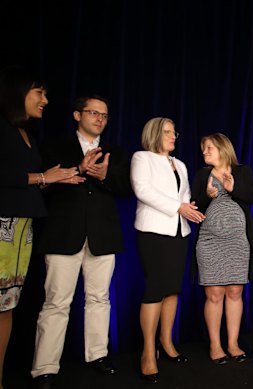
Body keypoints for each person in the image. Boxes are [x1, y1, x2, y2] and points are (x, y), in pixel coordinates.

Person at [31, 95, 131, 388]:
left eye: (104, 115)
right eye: (93, 113)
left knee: (100, 298)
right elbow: (42, 188)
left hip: (102, 236)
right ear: (77, 115)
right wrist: (79, 168)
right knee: (56, 303)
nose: (99, 119)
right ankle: (45, 368)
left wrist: (102, 175)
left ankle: (97, 355)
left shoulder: (115, 151)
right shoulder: (54, 147)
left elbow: (125, 187)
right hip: (64, 234)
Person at [0, 67, 81, 389]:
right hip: (3, 227)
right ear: (18, 93)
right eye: (39, 93)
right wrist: (44, 178)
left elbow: (30, 184)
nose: (45, 100)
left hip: (22, 230)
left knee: (7, 307)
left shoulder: (27, 135)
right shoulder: (2, 128)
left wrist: (57, 177)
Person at [130, 117, 205, 383]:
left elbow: (183, 196)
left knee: (173, 288)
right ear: (154, 134)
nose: (174, 136)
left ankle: (167, 342)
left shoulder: (180, 164)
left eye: (175, 132)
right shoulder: (142, 158)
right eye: (167, 132)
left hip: (179, 232)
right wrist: (178, 207)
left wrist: (189, 208)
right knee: (155, 289)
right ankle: (148, 352)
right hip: (153, 233)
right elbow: (142, 190)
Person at [191, 133, 253, 364]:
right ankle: (215, 345)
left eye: (209, 147)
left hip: (238, 242)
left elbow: (252, 196)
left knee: (235, 292)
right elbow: (194, 206)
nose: (205, 152)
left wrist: (232, 188)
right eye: (203, 149)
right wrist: (207, 195)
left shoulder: (242, 171)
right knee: (214, 294)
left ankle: (232, 343)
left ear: (222, 148)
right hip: (210, 241)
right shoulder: (202, 175)